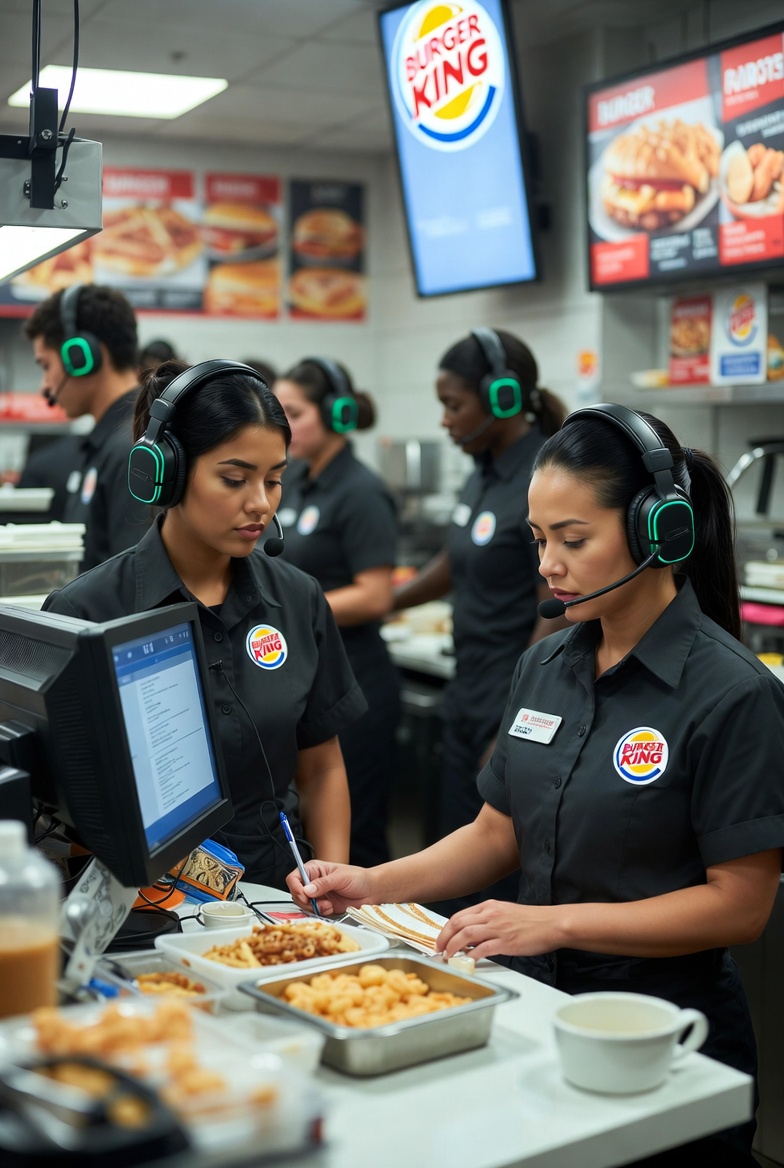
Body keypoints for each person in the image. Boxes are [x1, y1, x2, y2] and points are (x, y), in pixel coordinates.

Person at [288, 403, 784, 1164]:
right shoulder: (545, 667)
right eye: (539, 538)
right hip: (538, 1011)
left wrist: (554, 923)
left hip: (662, 1038)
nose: (548, 563)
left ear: (659, 531)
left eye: (573, 539)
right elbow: (497, 831)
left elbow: (741, 905)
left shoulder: (731, 692)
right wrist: (372, 882)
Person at [43, 359, 367, 888]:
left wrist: (333, 892)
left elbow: (322, 766)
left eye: (275, 480)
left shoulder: (298, 599)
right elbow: (61, 807)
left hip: (278, 896)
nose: (260, 504)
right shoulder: (87, 613)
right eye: (234, 479)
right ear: (165, 473)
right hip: (142, 908)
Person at [392, 328, 567, 908]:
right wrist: (390, 600)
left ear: (503, 399)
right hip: (468, 691)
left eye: (454, 405)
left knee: (492, 879)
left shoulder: (540, 477)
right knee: (448, 862)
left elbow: (558, 602)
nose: (445, 420)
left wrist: (516, 717)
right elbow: (456, 556)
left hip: (510, 697)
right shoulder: (482, 471)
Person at [274, 357, 400, 867]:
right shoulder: (300, 480)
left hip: (358, 683)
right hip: (313, 676)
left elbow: (375, 595)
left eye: (295, 412)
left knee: (359, 836)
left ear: (336, 414)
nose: (285, 426)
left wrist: (284, 607)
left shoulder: (360, 491)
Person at [23, 283, 151, 569]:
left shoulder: (130, 450)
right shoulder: (112, 442)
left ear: (80, 356)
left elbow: (134, 581)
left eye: (46, 366)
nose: (45, 385)